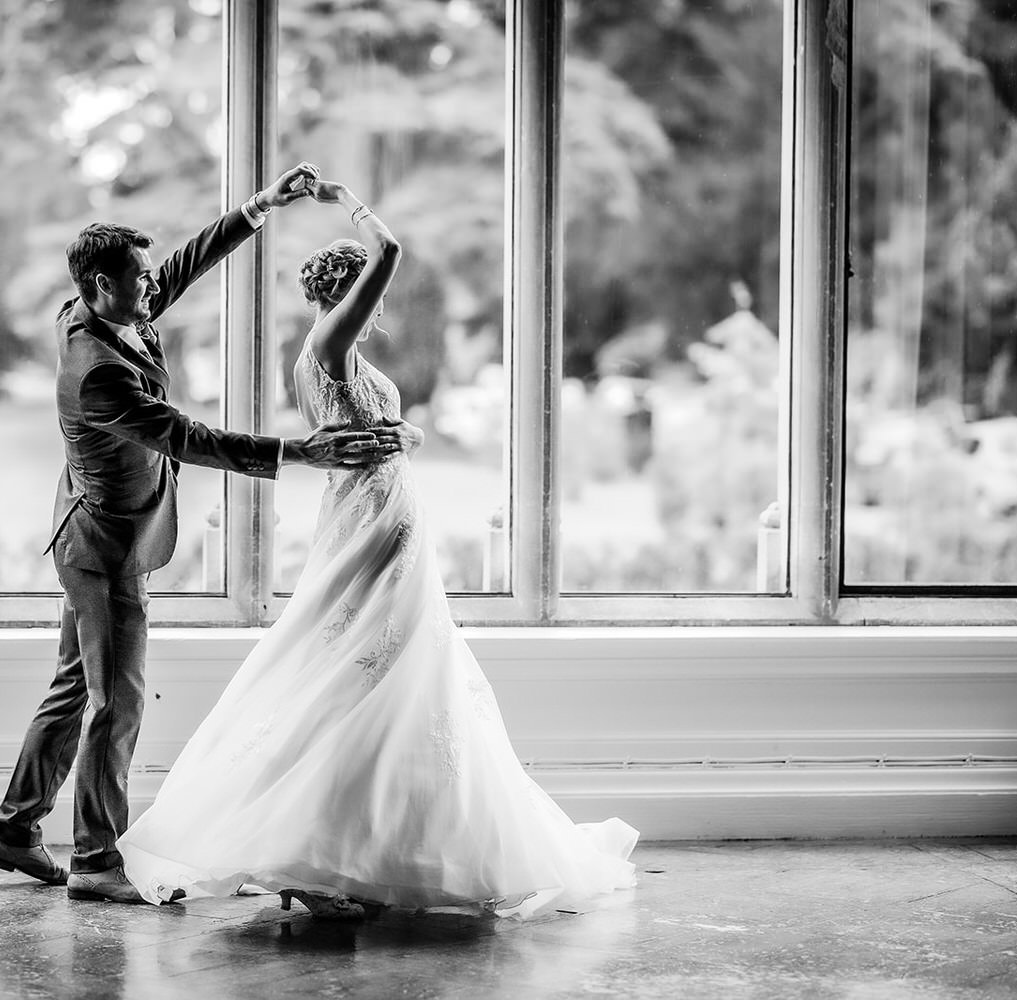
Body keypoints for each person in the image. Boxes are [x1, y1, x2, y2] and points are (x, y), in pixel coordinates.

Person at [117, 178, 639, 920]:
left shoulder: (327, 358)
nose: (380, 303)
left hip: (379, 505)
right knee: (373, 661)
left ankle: (357, 851)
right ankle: (324, 852)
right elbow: (391, 250)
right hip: (374, 518)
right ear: (348, 290)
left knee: (383, 668)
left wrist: (408, 435)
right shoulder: (330, 340)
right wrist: (345, 200)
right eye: (369, 291)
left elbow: (362, 436)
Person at [0, 162, 411, 905]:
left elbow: (179, 267)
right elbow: (183, 435)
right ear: (99, 287)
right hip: (106, 547)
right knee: (120, 700)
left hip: (96, 530)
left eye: (146, 279)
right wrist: (293, 452)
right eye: (137, 281)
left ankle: (15, 831)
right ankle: (94, 860)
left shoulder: (98, 309)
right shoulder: (96, 372)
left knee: (73, 687)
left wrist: (259, 207)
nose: (152, 289)